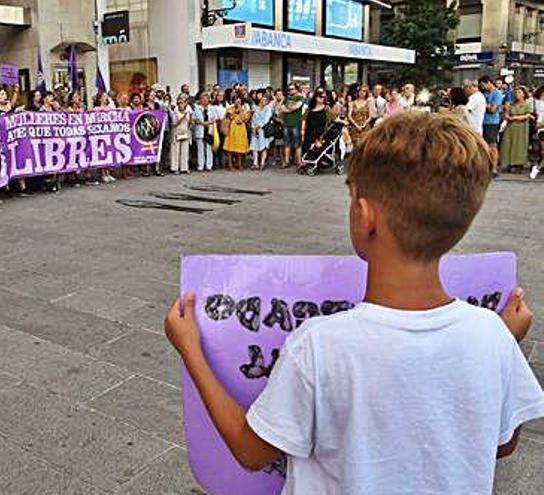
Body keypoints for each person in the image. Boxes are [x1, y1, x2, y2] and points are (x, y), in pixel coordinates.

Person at [165, 111, 544, 494]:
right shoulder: (492, 336)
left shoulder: (318, 345)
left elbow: (252, 452)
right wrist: (503, 342)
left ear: (365, 217)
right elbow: (502, 443)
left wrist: (191, 351)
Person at [499, 86, 533, 174]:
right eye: (516, 92)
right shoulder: (512, 104)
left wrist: (515, 117)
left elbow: (528, 115)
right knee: (507, 144)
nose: (517, 94)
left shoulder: (527, 104)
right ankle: (508, 163)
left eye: (519, 92)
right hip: (511, 127)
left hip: (521, 127)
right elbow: (506, 115)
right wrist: (506, 113)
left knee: (519, 145)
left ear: (524, 94)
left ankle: (518, 164)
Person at [479, 75, 505, 164]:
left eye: (483, 85)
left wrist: (485, 105)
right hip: (482, 121)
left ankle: (494, 165)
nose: (482, 87)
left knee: (492, 144)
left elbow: (492, 109)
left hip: (492, 122)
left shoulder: (497, 94)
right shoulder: (483, 93)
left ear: (489, 83)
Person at [301, 91, 334, 156]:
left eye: (324, 97)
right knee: (307, 150)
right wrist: (302, 130)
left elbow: (333, 119)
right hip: (309, 132)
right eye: (321, 97)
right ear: (316, 97)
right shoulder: (309, 108)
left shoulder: (327, 108)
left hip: (321, 133)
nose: (322, 98)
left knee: (319, 151)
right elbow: (304, 119)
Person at [223, 96, 250, 172]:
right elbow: (228, 117)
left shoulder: (243, 109)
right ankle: (230, 165)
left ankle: (239, 164)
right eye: (236, 101)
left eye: (239, 101)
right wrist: (235, 111)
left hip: (241, 129)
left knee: (240, 148)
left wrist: (241, 110)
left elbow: (246, 118)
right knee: (230, 148)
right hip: (232, 128)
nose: (238, 103)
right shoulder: (230, 108)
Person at [281, 84, 304, 169]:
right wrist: (291, 107)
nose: (290, 91)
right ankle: (287, 162)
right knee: (286, 143)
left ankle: (299, 161)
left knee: (297, 144)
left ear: (296, 90)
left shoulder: (300, 98)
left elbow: (297, 106)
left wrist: (288, 108)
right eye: (289, 89)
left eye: (292, 89)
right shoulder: (286, 98)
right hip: (286, 123)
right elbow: (282, 109)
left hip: (296, 123)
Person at [192, 91, 215, 172]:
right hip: (200, 131)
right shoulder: (197, 108)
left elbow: (214, 119)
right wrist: (203, 123)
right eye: (204, 96)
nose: (206, 98)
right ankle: (201, 165)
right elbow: (195, 120)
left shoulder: (212, 108)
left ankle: (209, 165)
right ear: (200, 99)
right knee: (200, 149)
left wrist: (205, 123)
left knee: (209, 149)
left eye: (207, 96)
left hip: (209, 131)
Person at [169, 94, 192, 174]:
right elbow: (174, 123)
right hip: (177, 132)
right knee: (176, 151)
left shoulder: (188, 110)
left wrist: (191, 121)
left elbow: (189, 122)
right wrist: (183, 116)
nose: (182, 103)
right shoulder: (175, 111)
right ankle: (175, 168)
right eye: (181, 102)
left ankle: (184, 168)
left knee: (185, 150)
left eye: (184, 101)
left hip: (185, 131)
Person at [249, 94, 273, 170]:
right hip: (255, 130)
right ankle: (255, 163)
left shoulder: (268, 109)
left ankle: (262, 163)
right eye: (262, 99)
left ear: (268, 102)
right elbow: (253, 118)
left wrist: (257, 126)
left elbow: (266, 120)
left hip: (263, 130)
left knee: (264, 147)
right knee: (254, 146)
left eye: (265, 100)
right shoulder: (257, 108)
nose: (263, 101)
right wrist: (253, 127)